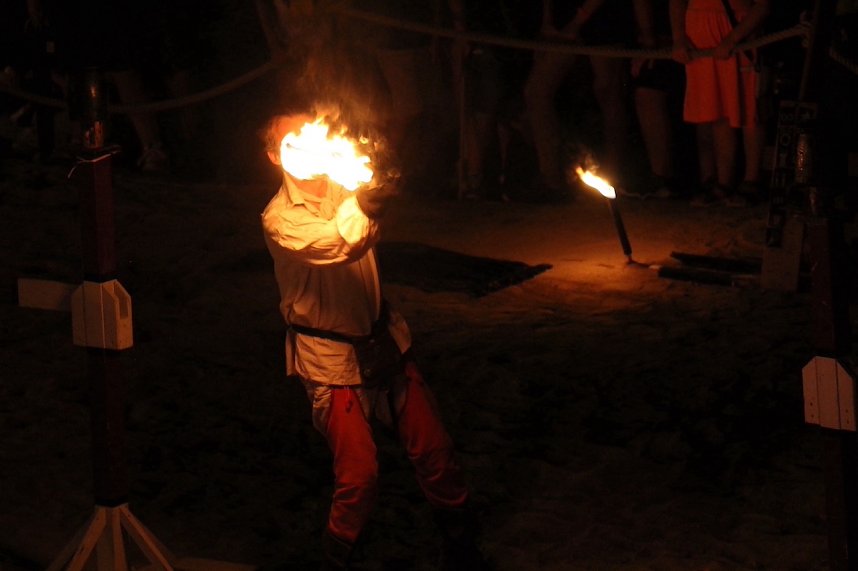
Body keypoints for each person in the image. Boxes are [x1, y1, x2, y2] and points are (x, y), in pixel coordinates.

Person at [259, 111, 489, 571]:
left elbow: (367, 213)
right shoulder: (280, 219)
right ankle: (337, 558)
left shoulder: (345, 182)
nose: (309, 140)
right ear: (274, 156)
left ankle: (464, 551)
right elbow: (344, 245)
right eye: (292, 138)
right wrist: (370, 201)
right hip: (331, 359)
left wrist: (377, 183)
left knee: (435, 451)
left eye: (311, 130)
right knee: (359, 475)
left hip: (384, 341)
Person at [523, 0, 635, 202]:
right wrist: (548, 21)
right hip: (564, 20)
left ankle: (613, 177)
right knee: (537, 92)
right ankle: (551, 178)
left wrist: (578, 20)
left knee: (608, 94)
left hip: (602, 20)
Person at [670, 0, 772, 206]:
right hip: (701, 41)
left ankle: (752, 180)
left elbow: (763, 5)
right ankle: (723, 182)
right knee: (717, 110)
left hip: (738, 34)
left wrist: (732, 39)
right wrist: (679, 37)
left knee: (749, 109)